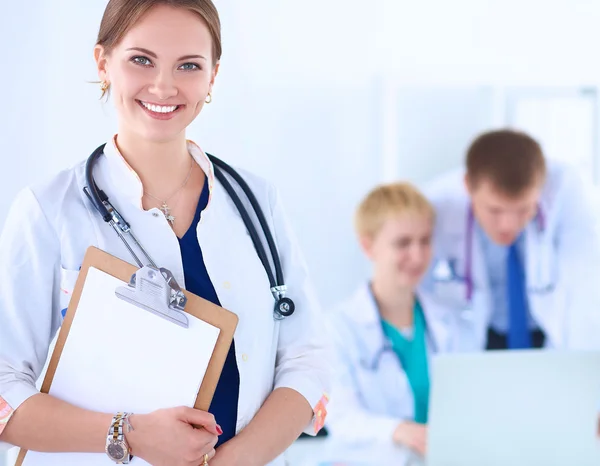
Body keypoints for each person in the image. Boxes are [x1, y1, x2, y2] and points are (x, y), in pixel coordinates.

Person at [0, 1, 330, 465]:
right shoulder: (48, 211)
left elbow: (307, 359)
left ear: (213, 76)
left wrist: (237, 461)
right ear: (103, 63)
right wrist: (128, 434)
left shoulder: (258, 202)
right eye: (141, 59)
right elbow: (3, 393)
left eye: (189, 65)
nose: (164, 85)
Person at [420, 128, 600, 351]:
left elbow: (584, 284)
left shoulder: (568, 192)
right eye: (495, 211)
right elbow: (417, 292)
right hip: (477, 333)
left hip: (549, 331)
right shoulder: (437, 204)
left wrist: (581, 365)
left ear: (541, 188)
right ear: (467, 186)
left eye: (524, 209)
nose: (508, 225)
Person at [326, 182, 465, 458]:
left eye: (425, 241)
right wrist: (398, 430)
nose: (417, 256)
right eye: (403, 243)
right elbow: (339, 417)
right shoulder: (338, 327)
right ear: (368, 246)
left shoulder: (451, 321)